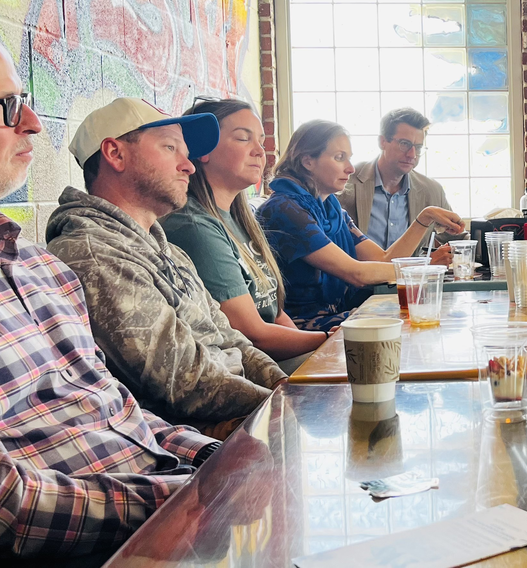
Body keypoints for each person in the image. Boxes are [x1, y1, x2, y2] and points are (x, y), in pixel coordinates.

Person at [0, 43, 222, 559]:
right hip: (113, 540)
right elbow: (11, 504)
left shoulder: (42, 269)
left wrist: (221, 458)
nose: (33, 123)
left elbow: (120, 412)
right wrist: (188, 495)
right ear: (114, 154)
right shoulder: (86, 255)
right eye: (7, 107)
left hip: (171, 496)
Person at [45, 97, 286, 438]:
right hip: (192, 439)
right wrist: (283, 403)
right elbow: (182, 381)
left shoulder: (170, 252)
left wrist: (282, 384)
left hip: (246, 410)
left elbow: (232, 338)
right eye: (171, 147)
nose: (188, 166)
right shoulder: (94, 254)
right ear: (115, 154)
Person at [161, 98, 327, 374]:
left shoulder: (241, 218)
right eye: (243, 139)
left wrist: (322, 348)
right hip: (245, 371)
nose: (260, 152)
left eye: (261, 141)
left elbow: (275, 313)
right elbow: (253, 332)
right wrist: (331, 340)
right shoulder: (193, 225)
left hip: (275, 359)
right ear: (203, 150)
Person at [257, 119, 464, 331]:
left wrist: (425, 218)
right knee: (417, 323)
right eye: (339, 158)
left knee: (436, 319)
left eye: (349, 159)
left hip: (339, 315)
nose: (350, 169)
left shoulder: (333, 210)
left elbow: (384, 259)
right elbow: (356, 274)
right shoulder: (285, 210)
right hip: (301, 328)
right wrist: (424, 266)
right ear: (307, 161)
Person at [337, 108, 460, 263]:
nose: (412, 155)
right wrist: (426, 263)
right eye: (404, 144)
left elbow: (459, 240)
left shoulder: (431, 190)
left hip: (411, 285)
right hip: (358, 283)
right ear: (382, 142)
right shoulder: (345, 183)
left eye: (418, 147)